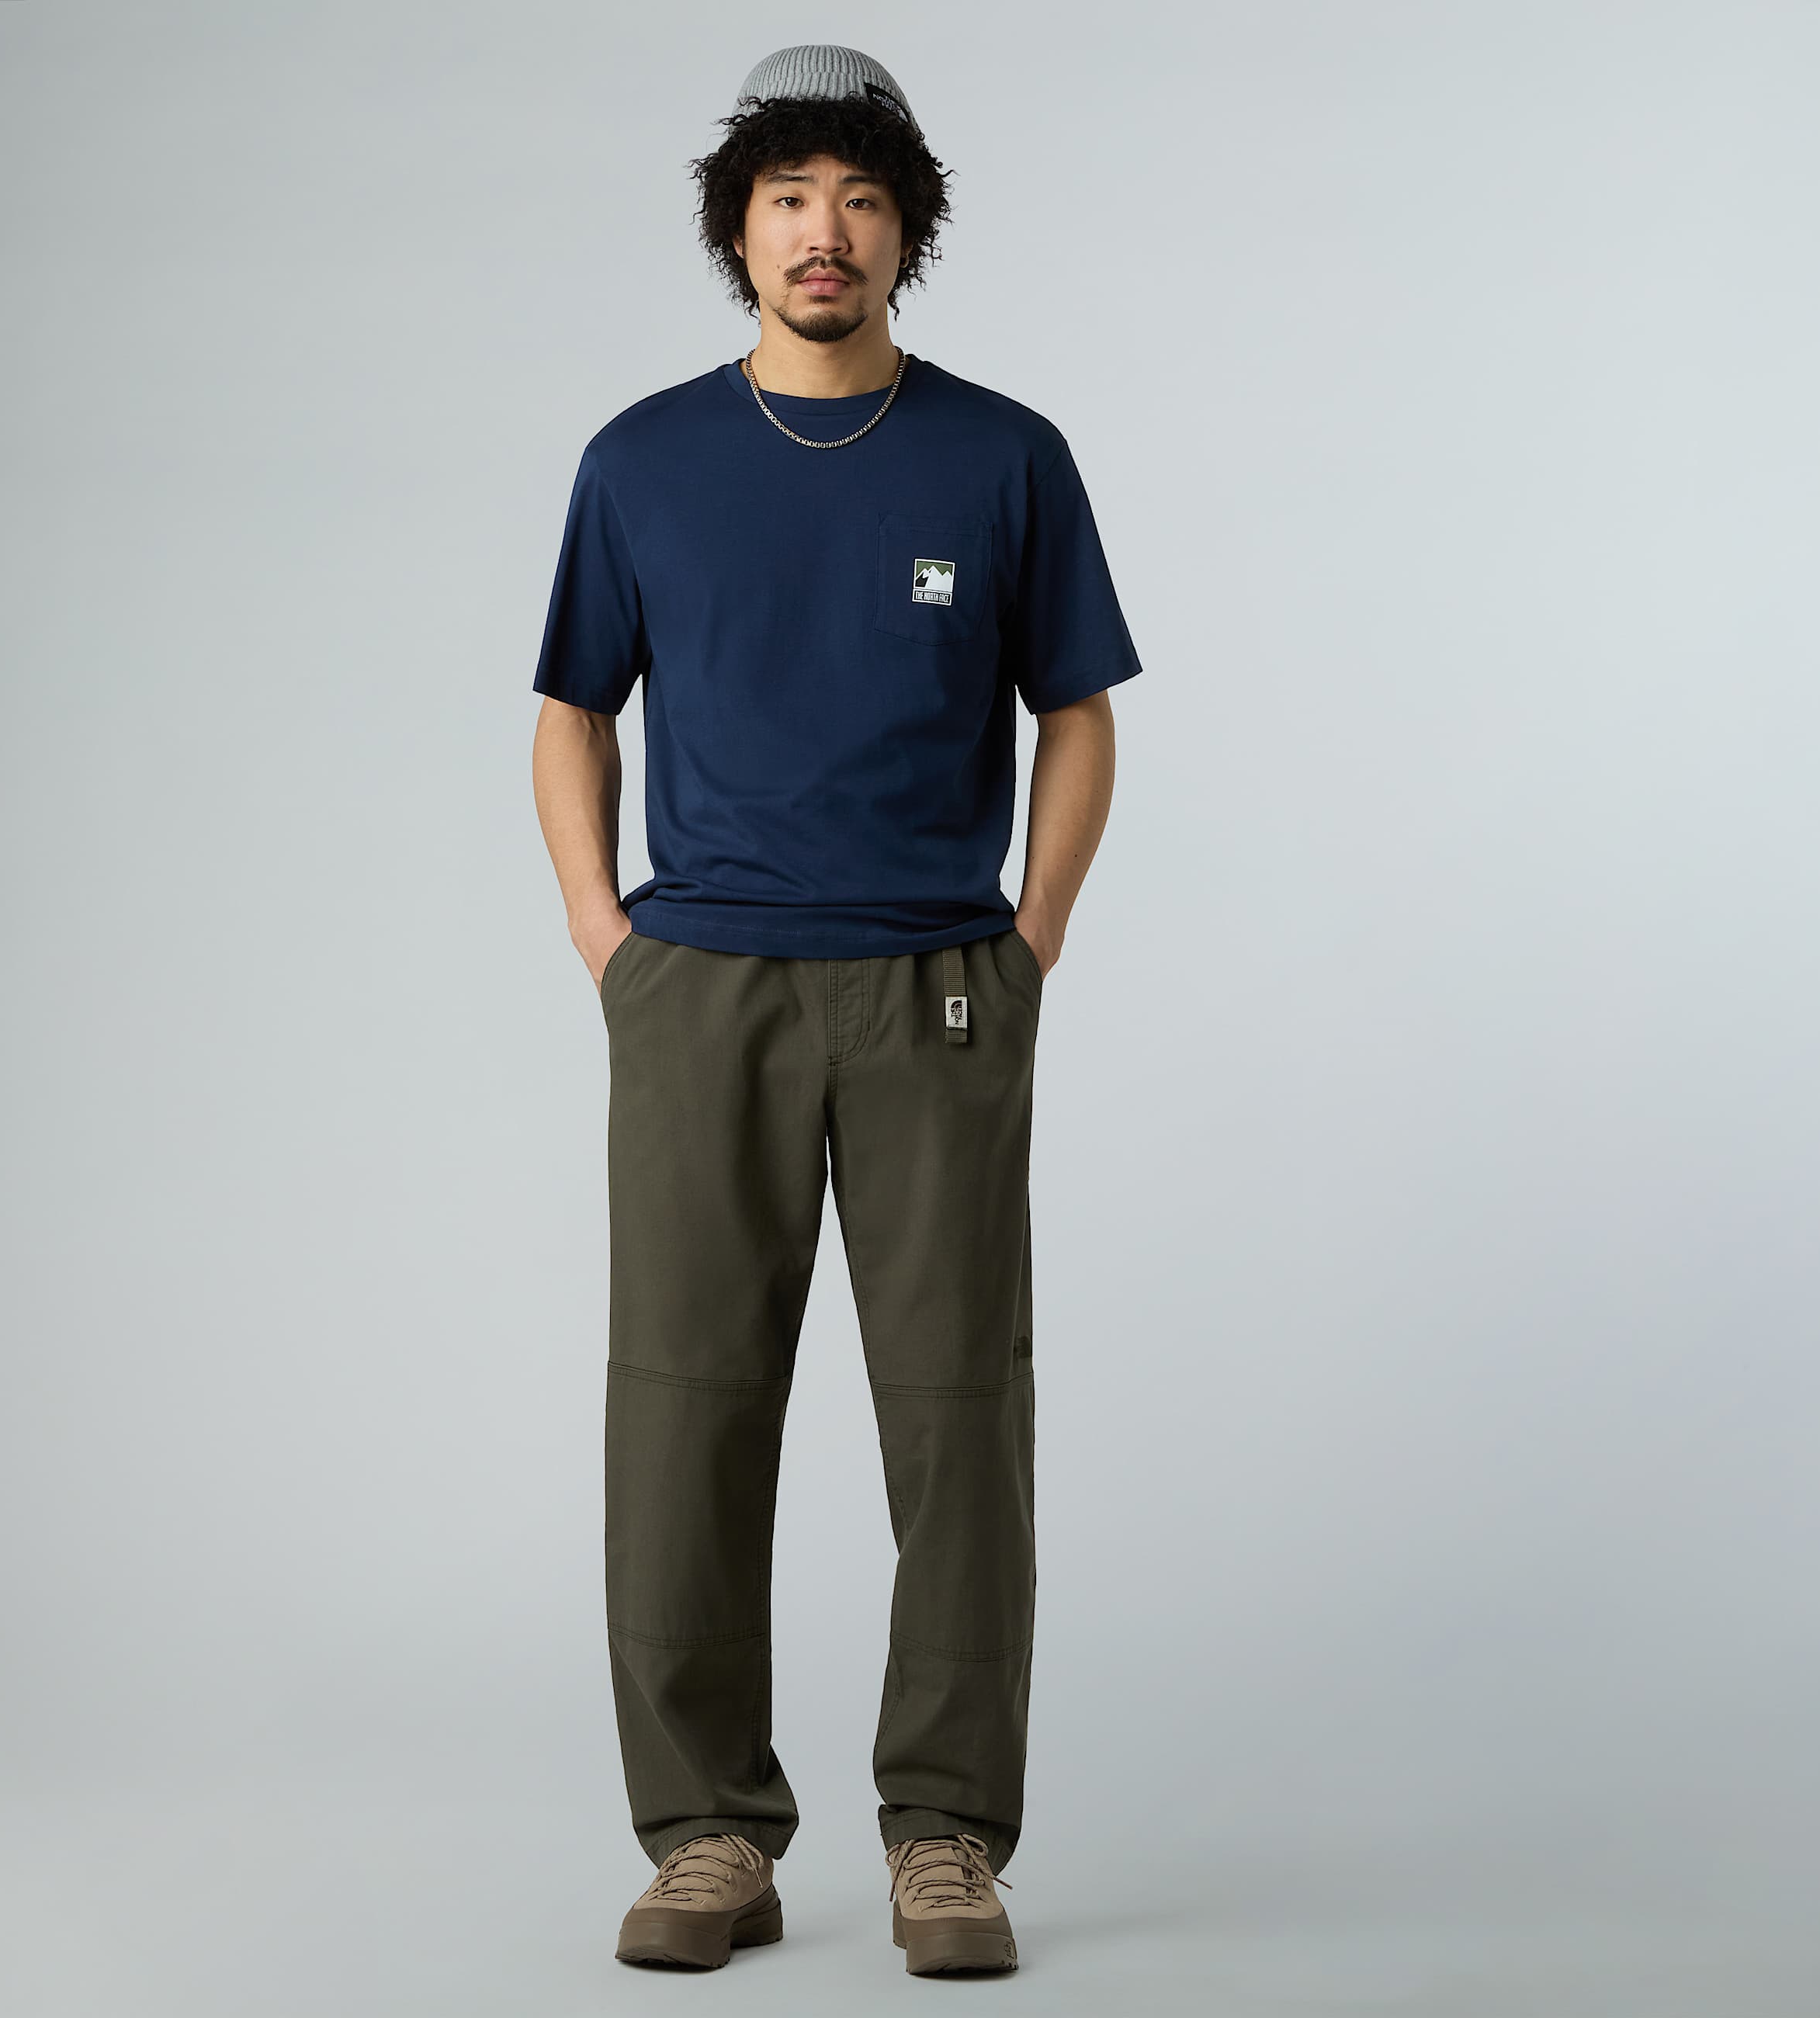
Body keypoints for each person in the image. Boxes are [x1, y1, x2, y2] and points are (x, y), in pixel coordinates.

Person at [529, 43, 1142, 1979]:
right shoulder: (640, 462)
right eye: (788, 196)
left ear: (905, 233)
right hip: (698, 987)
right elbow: (570, 712)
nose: (825, 232)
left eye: (861, 199)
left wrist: (1028, 940)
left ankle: (946, 1835)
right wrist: (608, 939)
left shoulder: (1002, 456)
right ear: (738, 229)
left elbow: (1077, 716)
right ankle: (706, 1831)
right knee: (684, 1408)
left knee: (958, 1414)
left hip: (938, 988)